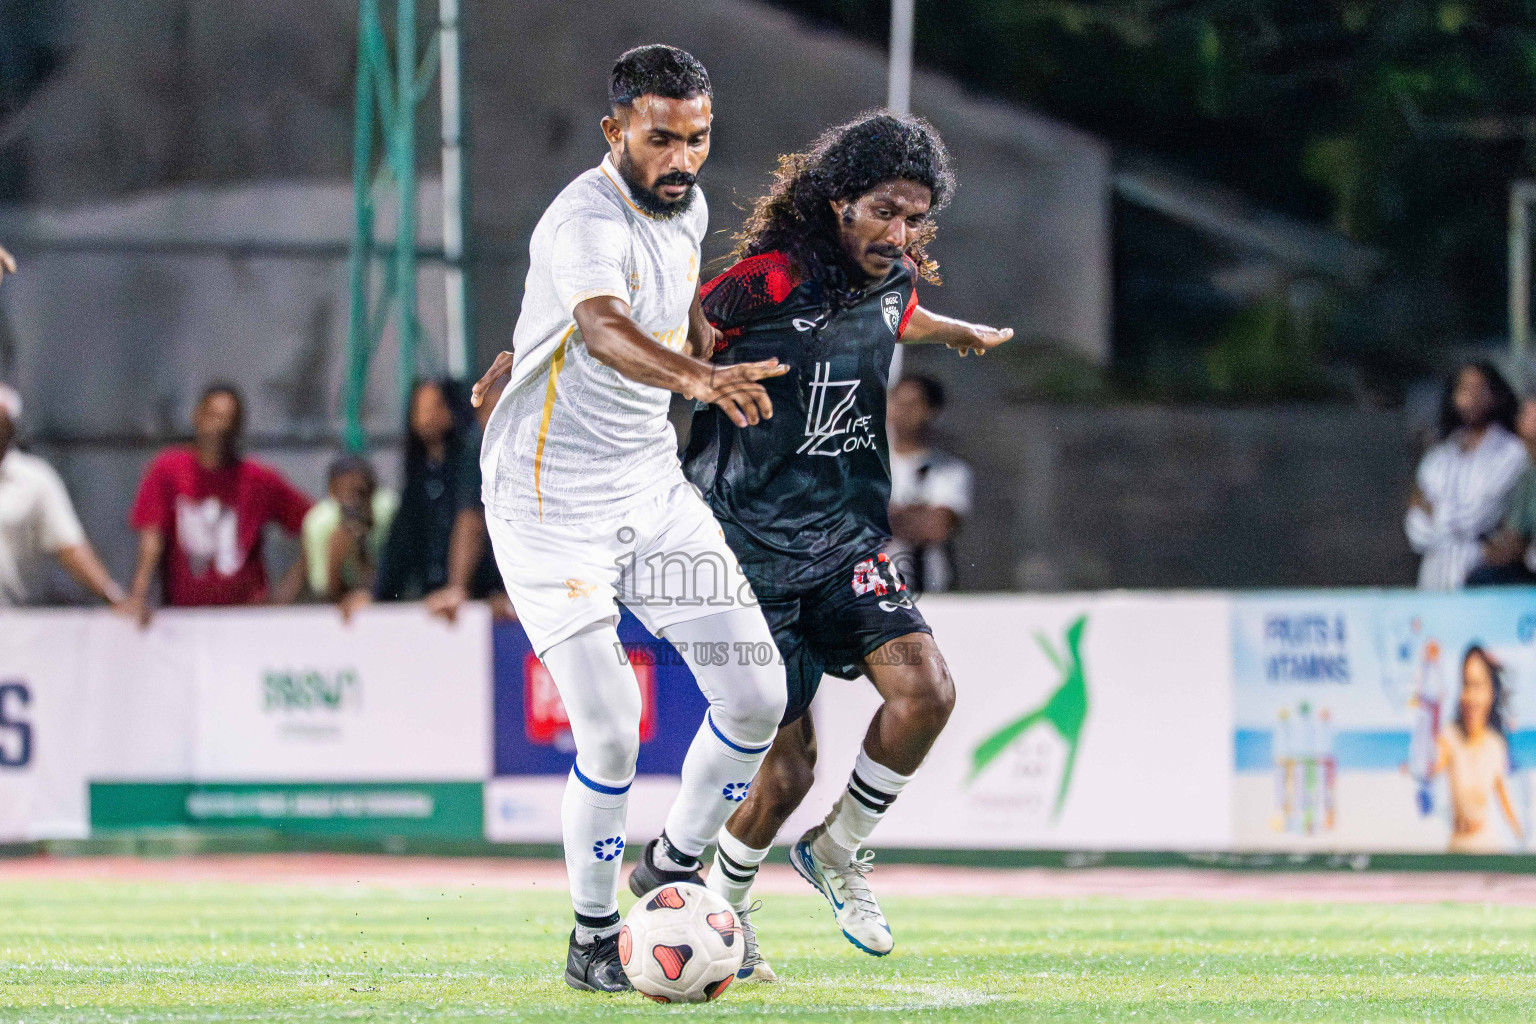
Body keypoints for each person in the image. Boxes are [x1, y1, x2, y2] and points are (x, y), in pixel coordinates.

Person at [469, 45, 789, 994]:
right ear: (614, 132)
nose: (682, 159)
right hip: (547, 508)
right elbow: (604, 328)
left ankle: (673, 866)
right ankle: (593, 937)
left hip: (649, 493)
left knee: (756, 695)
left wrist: (700, 334)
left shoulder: (685, 204)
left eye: (697, 138)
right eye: (661, 139)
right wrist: (700, 379)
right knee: (611, 732)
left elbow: (666, 296)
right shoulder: (583, 219)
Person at [681, 113, 1012, 979]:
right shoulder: (765, 280)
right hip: (747, 553)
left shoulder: (892, 278)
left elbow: (903, 316)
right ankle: (722, 913)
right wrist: (595, 362)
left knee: (926, 692)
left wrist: (957, 333)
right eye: (884, 211)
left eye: (915, 218)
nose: (899, 234)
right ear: (838, 201)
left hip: (846, 542)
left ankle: (837, 848)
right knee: (784, 777)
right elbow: (671, 338)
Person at [123, 383, 312, 623]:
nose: (219, 427)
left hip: (247, 619)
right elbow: (151, 539)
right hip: (184, 618)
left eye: (228, 420)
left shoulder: (258, 479)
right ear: (197, 416)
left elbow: (317, 525)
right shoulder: (168, 469)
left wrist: (286, 593)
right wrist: (138, 595)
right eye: (213, 416)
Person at [355, 379, 498, 621]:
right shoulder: (418, 473)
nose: (426, 417)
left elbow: (471, 522)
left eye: (434, 407)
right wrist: (377, 594)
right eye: (420, 409)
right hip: (435, 598)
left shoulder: (471, 458)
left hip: (479, 595)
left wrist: (458, 587)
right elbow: (402, 536)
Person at [0, 383, 128, 608]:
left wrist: (114, 596)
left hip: (14, 617)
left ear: (10, 427)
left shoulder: (35, 479)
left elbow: (69, 546)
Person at [1406, 362, 1529, 590]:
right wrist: (1443, 520)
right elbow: (1415, 530)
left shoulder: (1512, 452)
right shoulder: (1438, 456)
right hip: (1432, 581)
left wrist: (1433, 509)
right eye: (1464, 389)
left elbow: (1478, 516)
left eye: (1478, 389)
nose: (1470, 398)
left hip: (1481, 580)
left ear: (1496, 395)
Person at [1431, 646, 1525, 852]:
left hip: (1487, 846)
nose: (1471, 695)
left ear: (1491, 692)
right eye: (1466, 684)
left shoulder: (1495, 745)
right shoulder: (1449, 737)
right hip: (1457, 847)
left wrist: (1522, 836)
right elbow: (1429, 768)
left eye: (1478, 685)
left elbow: (1503, 795)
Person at [885, 374, 972, 594]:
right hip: (875, 588)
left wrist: (884, 515)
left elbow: (937, 527)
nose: (902, 411)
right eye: (897, 402)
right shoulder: (867, 466)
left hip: (930, 589)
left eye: (912, 404)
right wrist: (916, 512)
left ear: (931, 410)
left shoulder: (950, 470)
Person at [301, 454, 397, 603]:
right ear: (332, 493)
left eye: (360, 492)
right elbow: (324, 592)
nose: (352, 501)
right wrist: (335, 558)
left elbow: (399, 581)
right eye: (342, 492)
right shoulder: (320, 523)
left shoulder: (389, 513)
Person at [1468, 396, 1536, 586]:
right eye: (1527, 414)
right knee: (1483, 577)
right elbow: (1516, 537)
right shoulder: (1528, 477)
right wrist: (1495, 549)